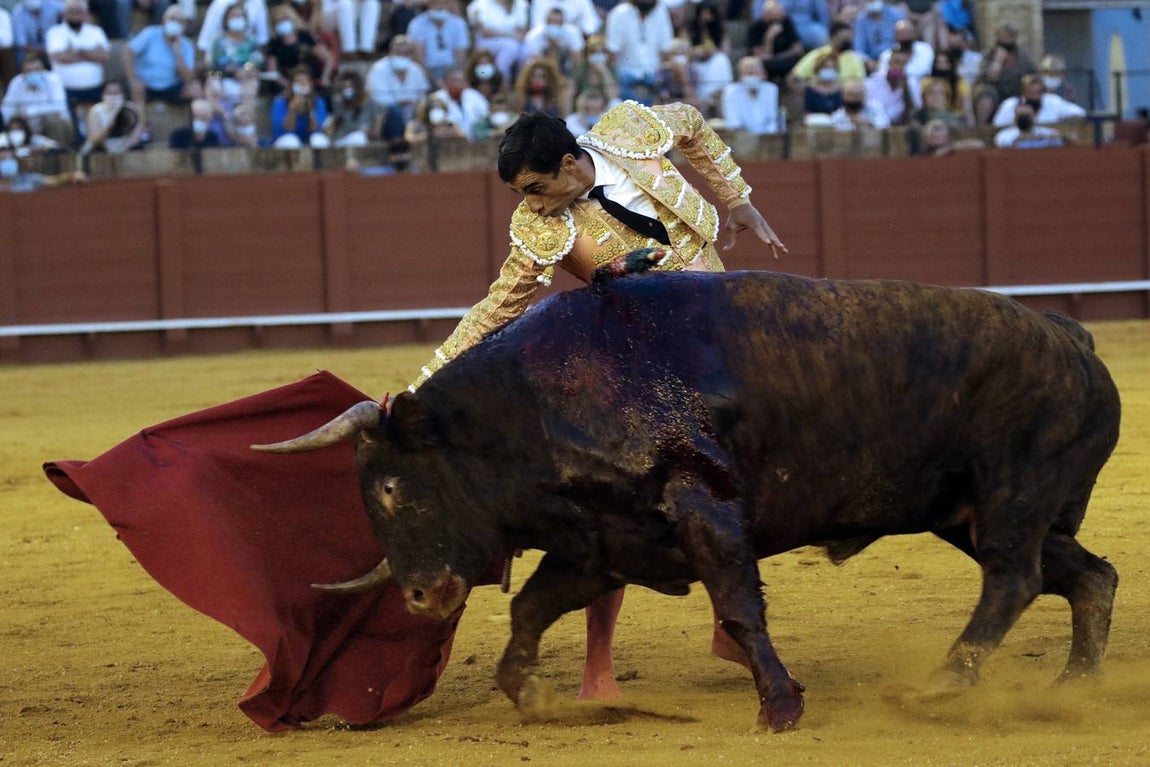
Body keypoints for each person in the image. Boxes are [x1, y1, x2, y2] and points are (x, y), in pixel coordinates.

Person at [406, 102, 786, 697]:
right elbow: (497, 309)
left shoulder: (629, 132)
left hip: (718, 345)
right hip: (640, 367)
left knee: (741, 482)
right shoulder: (541, 229)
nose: (531, 205)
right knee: (616, 508)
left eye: (535, 189)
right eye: (521, 195)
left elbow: (690, 122)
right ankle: (598, 670)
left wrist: (736, 198)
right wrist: (421, 385)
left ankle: (728, 630)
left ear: (569, 163)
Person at [45, 0, 109, 140]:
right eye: (71, 12)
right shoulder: (55, 32)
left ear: (85, 14)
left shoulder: (95, 32)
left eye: (78, 12)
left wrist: (76, 51)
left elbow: (104, 56)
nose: (74, 16)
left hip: (95, 88)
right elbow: (60, 57)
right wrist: (91, 54)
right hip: (66, 89)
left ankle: (100, 139)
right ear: (64, 14)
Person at [124, 5, 197, 108]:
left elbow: (188, 77)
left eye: (179, 21)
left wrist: (178, 54)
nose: (175, 23)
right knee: (136, 91)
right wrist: (133, 80)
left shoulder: (187, 44)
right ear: (163, 21)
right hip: (146, 84)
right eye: (172, 19)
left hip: (171, 85)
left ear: (184, 26)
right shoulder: (150, 33)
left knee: (195, 89)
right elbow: (128, 51)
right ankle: (139, 119)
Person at [605, 0, 675, 105]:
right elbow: (612, 53)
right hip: (626, 77)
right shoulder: (619, 13)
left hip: (654, 76)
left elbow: (666, 50)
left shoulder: (660, 11)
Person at [365, 34, 431, 140]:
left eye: (406, 53)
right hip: (385, 116)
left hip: (413, 113)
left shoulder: (416, 70)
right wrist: (403, 102)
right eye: (398, 53)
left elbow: (422, 95)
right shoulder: (378, 69)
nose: (402, 56)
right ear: (390, 53)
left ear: (412, 55)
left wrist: (417, 106)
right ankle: (396, 143)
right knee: (394, 110)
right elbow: (379, 99)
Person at [1, 50, 73, 146]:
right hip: (28, 126)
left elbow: (59, 106)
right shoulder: (17, 82)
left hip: (57, 125)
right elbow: (7, 108)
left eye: (36, 69)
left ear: (43, 69)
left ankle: (58, 149)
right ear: (23, 71)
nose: (33, 73)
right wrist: (4, 126)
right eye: (29, 71)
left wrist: (32, 111)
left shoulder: (53, 80)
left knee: (51, 118)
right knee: (15, 122)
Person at [406, 0, 471, 85]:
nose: (439, 6)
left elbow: (461, 54)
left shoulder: (458, 23)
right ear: (428, 4)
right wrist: (433, 79)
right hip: (427, 70)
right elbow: (418, 56)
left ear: (448, 4)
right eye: (435, 3)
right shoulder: (417, 24)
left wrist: (456, 77)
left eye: (443, 3)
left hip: (451, 68)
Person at [467, 0, 529, 86]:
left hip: (512, 41)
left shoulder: (520, 3)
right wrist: (510, 36)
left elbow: (522, 30)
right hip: (487, 40)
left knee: (524, 51)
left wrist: (516, 37)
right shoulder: (479, 4)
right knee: (510, 47)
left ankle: (522, 85)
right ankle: (499, 80)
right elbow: (485, 31)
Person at [990, 73, 1085, 129]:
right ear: (1023, 92)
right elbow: (997, 127)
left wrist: (1064, 122)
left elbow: (1080, 113)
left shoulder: (1052, 101)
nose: (1035, 96)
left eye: (1038, 92)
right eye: (1030, 92)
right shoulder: (1010, 105)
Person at [746, 0, 804, 87]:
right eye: (772, 15)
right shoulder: (755, 28)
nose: (776, 20)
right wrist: (769, 38)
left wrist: (780, 57)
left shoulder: (786, 23)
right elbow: (763, 56)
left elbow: (798, 49)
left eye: (778, 15)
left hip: (784, 59)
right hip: (767, 63)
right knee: (759, 63)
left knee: (799, 60)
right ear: (765, 15)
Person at [270, 65, 330, 148]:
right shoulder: (280, 102)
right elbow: (286, 129)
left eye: (304, 82)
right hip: (284, 139)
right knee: (291, 141)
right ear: (292, 85)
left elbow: (316, 129)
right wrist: (292, 109)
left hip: (308, 139)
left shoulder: (318, 102)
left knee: (319, 140)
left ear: (310, 84)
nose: (302, 85)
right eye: (298, 82)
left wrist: (310, 110)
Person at [80, 79, 145, 154]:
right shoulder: (95, 110)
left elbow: (136, 135)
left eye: (116, 93)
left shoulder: (130, 109)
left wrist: (124, 147)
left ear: (123, 94)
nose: (113, 96)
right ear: (103, 94)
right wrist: (108, 128)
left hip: (125, 145)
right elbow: (94, 139)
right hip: (99, 148)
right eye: (109, 93)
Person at [721, 56, 782, 135]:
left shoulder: (771, 89)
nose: (752, 76)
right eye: (749, 73)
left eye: (755, 73)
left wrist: (767, 137)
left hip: (768, 137)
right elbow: (733, 121)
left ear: (763, 75)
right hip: (742, 138)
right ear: (740, 76)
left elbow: (772, 120)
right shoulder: (731, 91)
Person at [521, 6, 584, 77]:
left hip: (566, 71)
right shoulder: (534, 36)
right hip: (542, 74)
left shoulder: (572, 33)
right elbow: (534, 63)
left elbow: (578, 60)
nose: (555, 26)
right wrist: (552, 48)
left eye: (558, 23)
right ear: (546, 22)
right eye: (551, 22)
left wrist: (572, 78)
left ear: (563, 23)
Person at [430, 67, 490, 140]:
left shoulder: (473, 94)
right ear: (445, 82)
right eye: (455, 80)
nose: (458, 83)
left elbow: (487, 115)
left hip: (476, 142)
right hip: (449, 142)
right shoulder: (436, 98)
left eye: (461, 80)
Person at [10, 0, 65, 71]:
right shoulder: (18, 12)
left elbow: (70, 13)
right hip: (31, 52)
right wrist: (45, 52)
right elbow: (22, 44)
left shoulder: (53, 5)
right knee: (21, 56)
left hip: (52, 49)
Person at [852, 0, 905, 70]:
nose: (871, 2)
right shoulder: (861, 21)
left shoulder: (896, 14)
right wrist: (867, 61)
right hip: (873, 62)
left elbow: (904, 39)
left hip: (896, 56)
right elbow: (858, 49)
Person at [994, 100, 1064, 149]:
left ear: (1034, 117)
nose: (1024, 120)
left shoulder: (1045, 132)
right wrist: (1030, 137)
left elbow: (1059, 140)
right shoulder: (1004, 135)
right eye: (1021, 116)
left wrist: (1044, 137)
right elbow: (1003, 144)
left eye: (1027, 116)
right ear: (1015, 118)